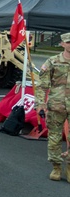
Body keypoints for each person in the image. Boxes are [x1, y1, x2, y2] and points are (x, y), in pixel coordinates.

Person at [38, 33, 70, 181]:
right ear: (62, 44)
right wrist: (40, 103)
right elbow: (42, 85)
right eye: (68, 42)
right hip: (56, 105)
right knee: (55, 137)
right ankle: (56, 167)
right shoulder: (53, 61)